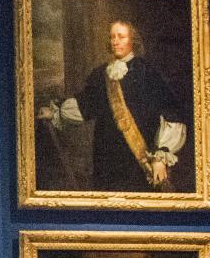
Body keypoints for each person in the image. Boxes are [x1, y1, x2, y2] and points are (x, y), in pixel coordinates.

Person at [38, 20, 188, 192]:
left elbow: (171, 113)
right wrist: (54, 113)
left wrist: (161, 157)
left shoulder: (148, 73)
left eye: (121, 36)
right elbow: (85, 105)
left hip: (139, 156)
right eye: (112, 37)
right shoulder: (101, 74)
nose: (115, 41)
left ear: (133, 40)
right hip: (106, 154)